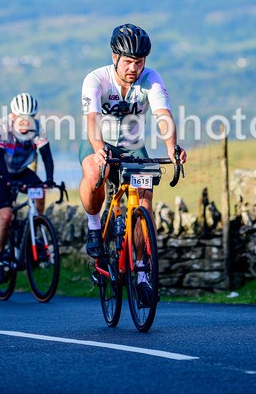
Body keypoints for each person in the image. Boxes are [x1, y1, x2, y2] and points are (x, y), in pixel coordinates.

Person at [79, 23, 187, 304]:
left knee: (144, 201)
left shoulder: (151, 79)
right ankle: (93, 227)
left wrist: (171, 148)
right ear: (115, 56)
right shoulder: (96, 79)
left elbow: (163, 115)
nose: (133, 68)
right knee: (93, 174)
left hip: (133, 148)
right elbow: (91, 120)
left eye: (138, 62)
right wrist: (100, 148)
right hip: (98, 142)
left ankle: (141, 273)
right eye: (128, 61)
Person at [0, 93, 55, 283]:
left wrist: (50, 179)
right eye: (21, 119)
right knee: (5, 216)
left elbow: (46, 154)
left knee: (40, 191)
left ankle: (34, 231)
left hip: (20, 169)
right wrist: (7, 180)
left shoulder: (37, 128)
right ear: (13, 115)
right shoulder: (1, 125)